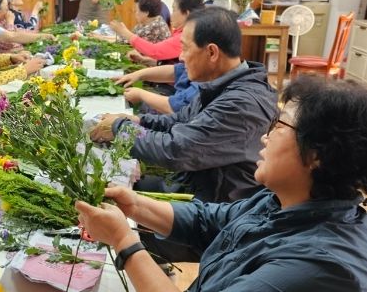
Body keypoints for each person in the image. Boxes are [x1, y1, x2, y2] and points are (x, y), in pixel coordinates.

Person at [77, 76, 367, 291]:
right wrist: (134, 205)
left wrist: (124, 242)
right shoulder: (285, 200)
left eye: (279, 126)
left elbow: (177, 148)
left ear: (316, 154)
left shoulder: (319, 267)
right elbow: (209, 221)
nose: (265, 137)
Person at [92, 7, 278, 204]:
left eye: (185, 48)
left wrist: (119, 128)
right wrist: (137, 121)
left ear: (212, 52)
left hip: (213, 208)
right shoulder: (221, 84)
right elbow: (180, 120)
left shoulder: (240, 104)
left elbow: (176, 149)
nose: (181, 57)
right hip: (194, 185)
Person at [110, 0, 204, 64]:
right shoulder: (182, 31)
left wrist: (124, 32)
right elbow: (174, 65)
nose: (171, 15)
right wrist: (146, 60)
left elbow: (154, 51)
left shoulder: (187, 36)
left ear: (186, 14)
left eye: (174, 9)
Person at [115, 63, 198, 115]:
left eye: (186, 48)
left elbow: (174, 107)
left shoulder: (201, 87)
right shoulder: (194, 67)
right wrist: (137, 75)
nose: (180, 57)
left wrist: (140, 95)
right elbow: (176, 71)